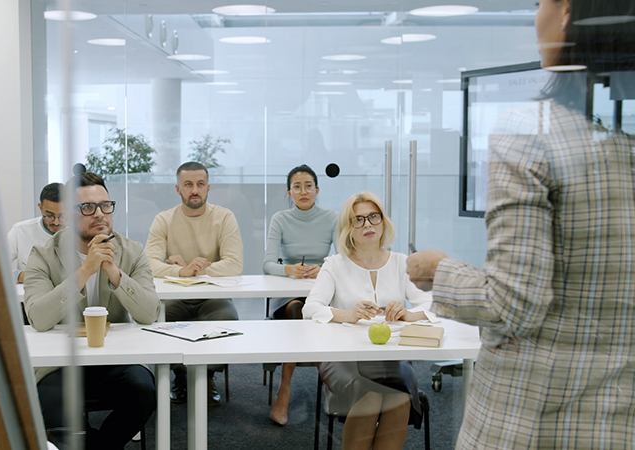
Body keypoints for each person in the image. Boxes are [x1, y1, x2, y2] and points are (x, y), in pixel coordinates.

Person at [406, 1, 635, 448]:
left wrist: (440, 270)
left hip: (531, 419)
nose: (536, 18)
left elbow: (511, 305)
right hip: (616, 422)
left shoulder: (530, 132)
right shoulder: (624, 147)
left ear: (566, 12)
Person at [23, 171, 161, 449]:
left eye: (105, 206)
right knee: (49, 400)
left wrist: (113, 272)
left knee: (144, 390)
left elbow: (150, 313)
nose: (99, 214)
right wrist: (85, 270)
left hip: (117, 360)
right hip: (61, 364)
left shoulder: (132, 251)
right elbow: (37, 317)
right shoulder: (43, 254)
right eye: (87, 207)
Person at [303, 192, 435, 450]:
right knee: (371, 395)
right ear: (347, 229)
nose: (367, 225)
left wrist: (410, 313)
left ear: (383, 222)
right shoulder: (334, 265)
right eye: (358, 220)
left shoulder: (401, 263)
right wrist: (348, 315)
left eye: (373, 217)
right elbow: (310, 309)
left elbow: (432, 304)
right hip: (342, 355)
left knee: (398, 397)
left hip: (390, 355)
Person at [145, 161, 244, 406]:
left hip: (213, 297)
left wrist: (191, 270)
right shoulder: (164, 220)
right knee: (158, 323)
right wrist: (181, 270)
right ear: (178, 189)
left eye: (200, 184)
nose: (194, 190)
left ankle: (207, 377)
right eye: (188, 185)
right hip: (175, 298)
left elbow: (235, 265)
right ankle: (181, 376)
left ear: (208, 187)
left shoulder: (224, 217)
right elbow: (148, 264)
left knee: (227, 321)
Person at [262, 164, 337, 425]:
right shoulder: (280, 219)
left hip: (323, 290)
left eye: (308, 186)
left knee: (321, 311)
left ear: (317, 190)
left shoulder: (332, 218)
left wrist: (325, 267)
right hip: (290, 293)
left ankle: (329, 383)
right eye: (297, 186)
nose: (303, 191)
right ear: (289, 192)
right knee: (297, 311)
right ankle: (285, 389)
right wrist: (289, 269)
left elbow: (343, 258)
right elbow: (267, 264)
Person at [8, 182, 65, 284]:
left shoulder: (80, 232)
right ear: (40, 208)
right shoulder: (20, 230)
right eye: (49, 216)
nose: (56, 222)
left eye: (62, 215)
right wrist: (18, 276)